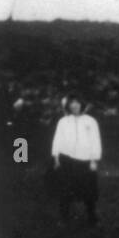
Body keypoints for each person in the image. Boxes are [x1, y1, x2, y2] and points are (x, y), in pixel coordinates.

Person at [50, 96, 102, 224]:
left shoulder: (91, 121)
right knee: (65, 190)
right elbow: (57, 139)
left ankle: (92, 217)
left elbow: (95, 141)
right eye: (71, 103)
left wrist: (94, 160)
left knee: (88, 190)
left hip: (85, 160)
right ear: (68, 106)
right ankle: (64, 217)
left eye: (77, 103)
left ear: (82, 104)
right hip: (67, 160)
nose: (74, 106)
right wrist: (56, 157)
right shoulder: (63, 121)